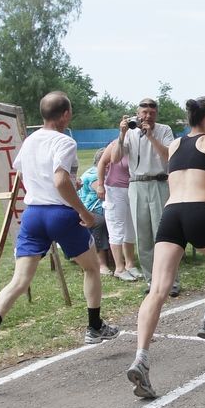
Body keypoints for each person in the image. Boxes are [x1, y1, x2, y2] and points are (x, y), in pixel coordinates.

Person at [0, 92, 118, 375]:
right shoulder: (65, 141)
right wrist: (83, 213)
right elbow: (61, 180)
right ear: (65, 115)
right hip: (60, 213)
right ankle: (95, 326)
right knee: (91, 269)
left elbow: (25, 173)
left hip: (33, 214)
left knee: (20, 279)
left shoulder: (29, 141)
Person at [126, 97, 205, 399]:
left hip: (171, 214)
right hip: (199, 211)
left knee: (158, 289)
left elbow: (170, 159)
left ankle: (141, 357)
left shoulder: (175, 144)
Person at [113, 97, 180, 297]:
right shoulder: (129, 132)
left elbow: (168, 155)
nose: (147, 116)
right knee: (143, 237)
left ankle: (172, 281)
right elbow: (116, 158)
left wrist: (150, 136)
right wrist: (121, 133)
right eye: (144, 113)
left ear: (156, 114)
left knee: (164, 235)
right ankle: (152, 280)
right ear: (137, 113)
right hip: (136, 184)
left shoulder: (164, 129)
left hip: (159, 182)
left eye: (151, 113)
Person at [96, 138, 141, 282]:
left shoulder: (138, 143)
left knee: (130, 227)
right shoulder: (116, 143)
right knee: (117, 227)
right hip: (114, 189)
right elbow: (102, 163)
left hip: (132, 188)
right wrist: (100, 185)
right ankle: (119, 268)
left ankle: (130, 264)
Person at [78, 148, 113, 275]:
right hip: (87, 212)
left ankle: (113, 256)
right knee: (100, 222)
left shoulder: (105, 173)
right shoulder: (93, 175)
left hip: (101, 210)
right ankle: (101, 263)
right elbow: (106, 193)